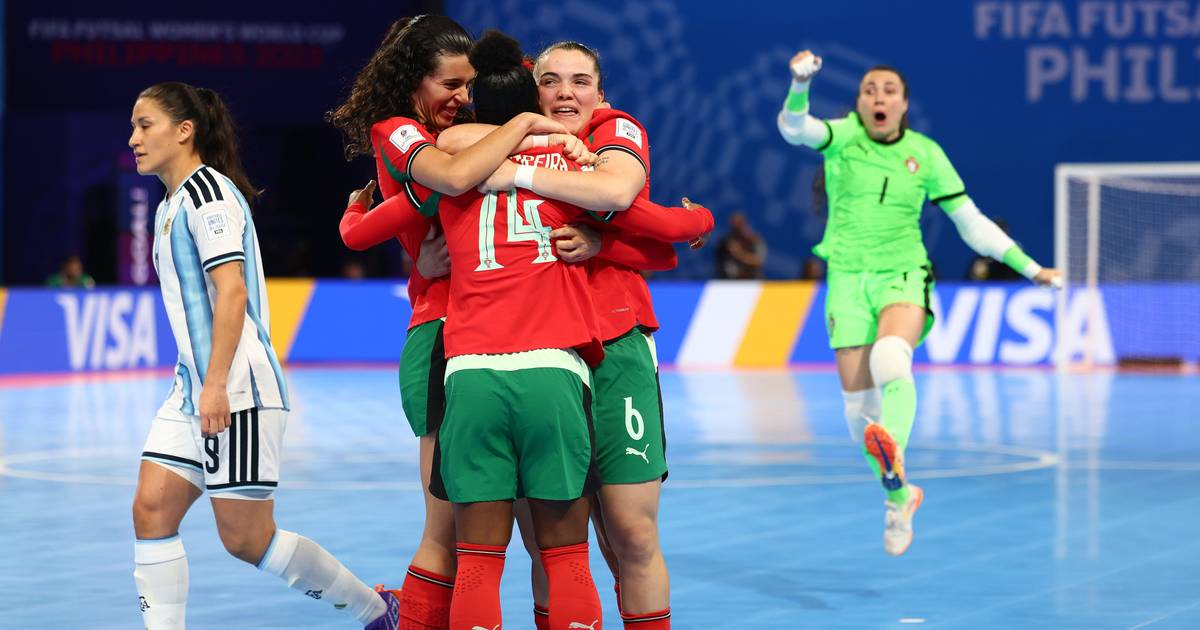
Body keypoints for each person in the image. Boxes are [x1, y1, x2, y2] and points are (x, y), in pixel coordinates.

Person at [326, 15, 575, 630]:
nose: (462, 98)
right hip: (444, 337)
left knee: (518, 534)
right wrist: (524, 123)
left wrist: (364, 224)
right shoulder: (400, 131)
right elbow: (451, 179)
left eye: (470, 86)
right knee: (451, 529)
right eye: (450, 85)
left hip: (488, 338)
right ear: (415, 82)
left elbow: (388, 215)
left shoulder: (462, 131)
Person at [127, 82, 400, 629]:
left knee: (247, 539)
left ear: (185, 131)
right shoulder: (170, 204)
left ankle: (378, 611)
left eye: (144, 124)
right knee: (151, 509)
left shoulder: (209, 195)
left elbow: (233, 293)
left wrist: (216, 386)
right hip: (194, 388)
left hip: (236, 390)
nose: (133, 138)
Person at [777, 51, 1061, 555]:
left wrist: (1030, 267)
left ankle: (895, 452)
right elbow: (795, 128)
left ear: (903, 103)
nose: (878, 96)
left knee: (891, 357)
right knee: (858, 411)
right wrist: (800, 83)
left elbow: (971, 222)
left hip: (903, 272)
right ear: (860, 104)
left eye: (888, 90)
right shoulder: (842, 138)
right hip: (846, 278)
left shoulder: (926, 154)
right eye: (869, 90)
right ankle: (900, 495)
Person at [468, 40, 678, 630]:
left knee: (631, 531)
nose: (566, 93)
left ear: (601, 93)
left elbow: (617, 191)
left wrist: (600, 239)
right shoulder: (495, 139)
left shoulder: (617, 129)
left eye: (581, 81)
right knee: (551, 541)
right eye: (552, 81)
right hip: (538, 353)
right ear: (529, 92)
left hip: (617, 349)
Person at [714, 212, 767, 279]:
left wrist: (740, 254)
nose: (737, 229)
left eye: (739, 225)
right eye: (734, 227)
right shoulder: (725, 243)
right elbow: (719, 265)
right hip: (730, 283)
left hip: (751, 281)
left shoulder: (754, 240)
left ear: (744, 224)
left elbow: (759, 261)